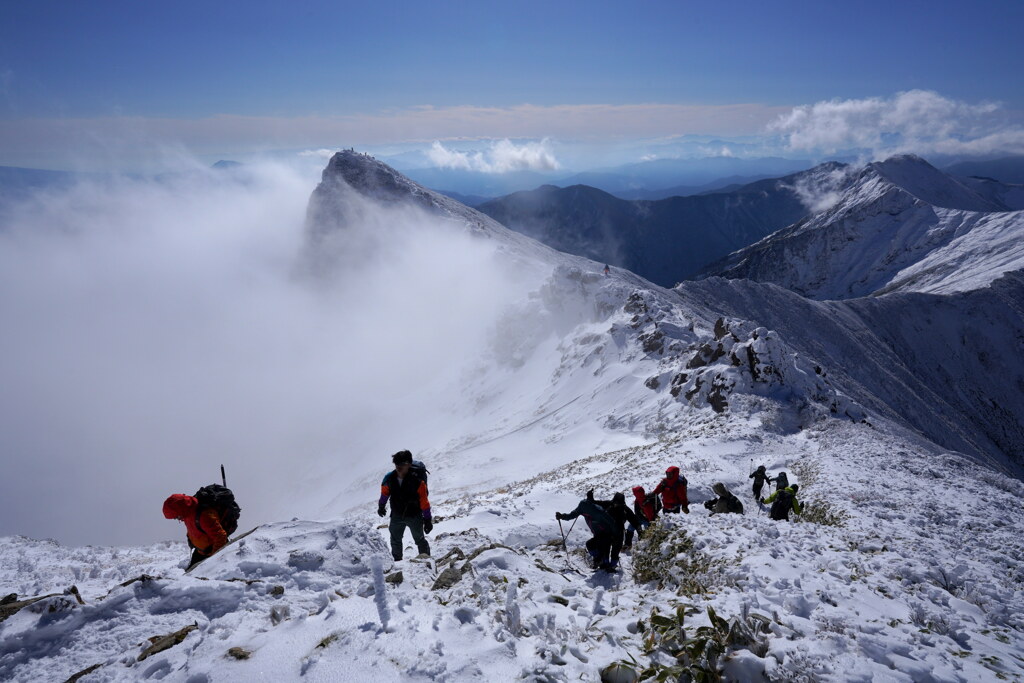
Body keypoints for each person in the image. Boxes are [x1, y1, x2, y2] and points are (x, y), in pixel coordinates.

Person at [379, 450, 432, 561]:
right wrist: (381, 506)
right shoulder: (389, 478)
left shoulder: (418, 481)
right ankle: (397, 563)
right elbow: (385, 493)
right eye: (397, 464)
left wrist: (427, 519)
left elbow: (424, 501)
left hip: (414, 515)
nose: (398, 467)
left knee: (419, 540)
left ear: (409, 464)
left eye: (402, 464)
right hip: (397, 514)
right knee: (395, 540)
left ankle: (426, 561)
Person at [163, 493, 229, 570]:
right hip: (200, 552)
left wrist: (214, 558)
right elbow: (193, 528)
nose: (177, 519)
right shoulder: (187, 513)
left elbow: (220, 536)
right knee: (190, 575)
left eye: (176, 516)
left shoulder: (204, 516)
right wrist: (190, 538)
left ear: (181, 510)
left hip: (211, 553)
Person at [555, 491, 617, 571]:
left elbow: (611, 522)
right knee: (596, 547)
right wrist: (562, 516)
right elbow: (572, 515)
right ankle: (600, 562)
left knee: (602, 548)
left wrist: (615, 535)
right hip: (599, 533)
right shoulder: (584, 507)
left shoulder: (598, 510)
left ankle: (605, 565)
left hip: (607, 533)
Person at [593, 492, 643, 570]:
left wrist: (639, 529)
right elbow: (596, 503)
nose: (616, 505)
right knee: (606, 548)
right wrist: (590, 498)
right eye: (616, 503)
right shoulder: (610, 504)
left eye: (618, 503)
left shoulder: (624, 509)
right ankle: (605, 564)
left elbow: (634, 520)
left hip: (617, 532)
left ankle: (612, 565)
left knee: (615, 550)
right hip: (608, 531)